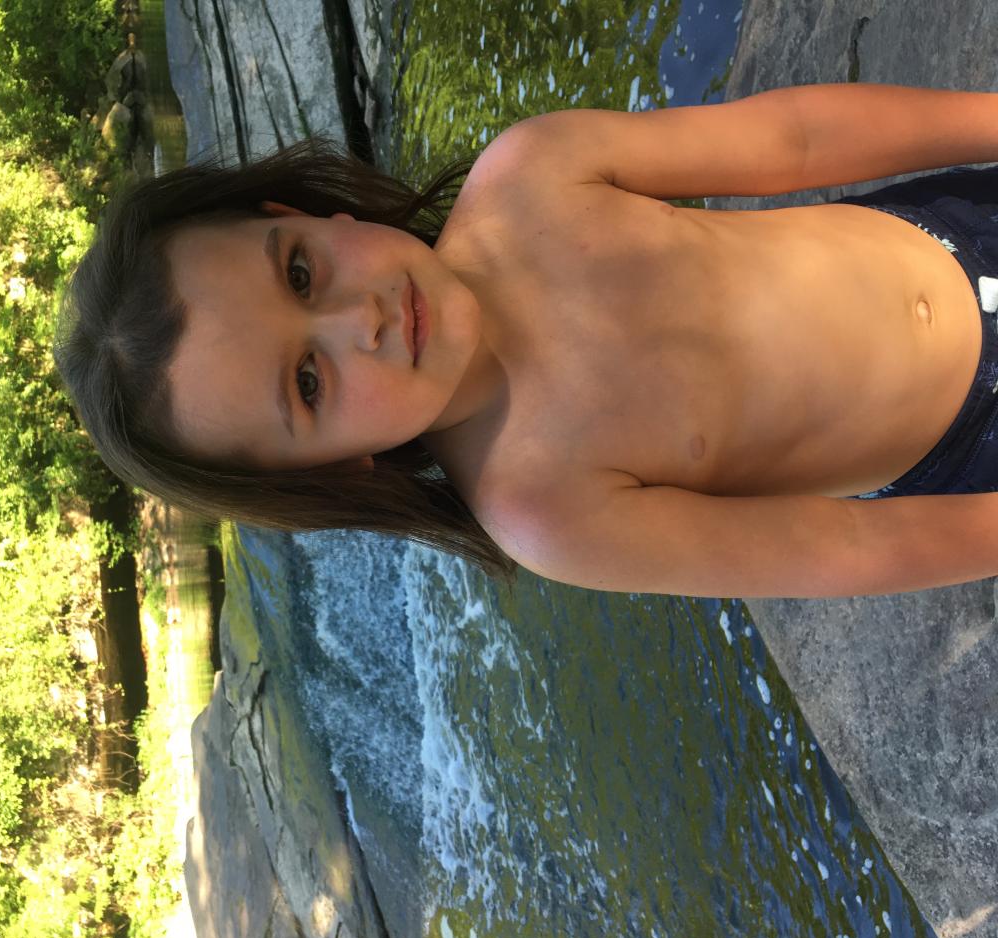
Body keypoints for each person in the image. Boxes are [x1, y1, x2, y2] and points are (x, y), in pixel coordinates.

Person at [56, 81, 998, 599]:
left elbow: (796, 138)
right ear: (333, 468)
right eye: (308, 382)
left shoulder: (530, 174)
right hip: (969, 434)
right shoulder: (543, 507)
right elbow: (838, 547)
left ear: (299, 216)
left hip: (955, 223)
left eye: (300, 274)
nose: (360, 321)